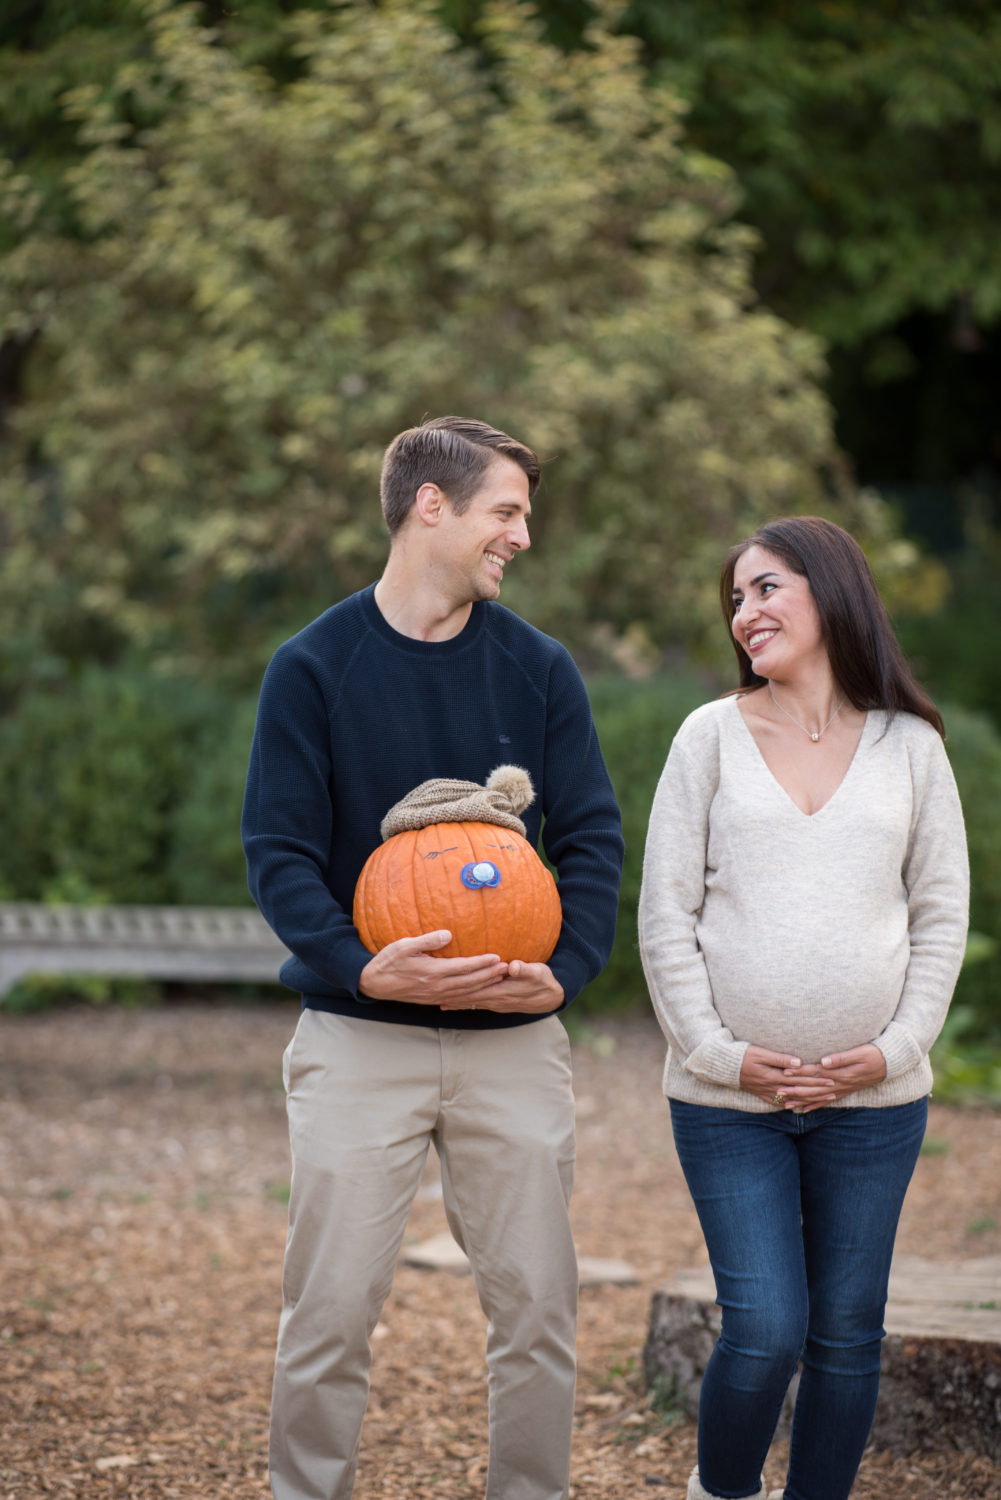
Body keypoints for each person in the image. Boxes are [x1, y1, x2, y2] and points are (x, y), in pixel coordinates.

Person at [241, 415, 624, 1500]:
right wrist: (360, 965)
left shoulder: (538, 669)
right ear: (430, 507)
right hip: (359, 1039)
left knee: (539, 1317)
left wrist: (573, 963)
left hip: (513, 1037)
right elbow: (278, 850)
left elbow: (590, 836)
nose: (521, 537)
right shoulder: (312, 667)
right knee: (326, 1318)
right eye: (505, 512)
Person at [637, 516, 969, 1500]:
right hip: (726, 1103)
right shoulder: (706, 737)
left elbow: (941, 912)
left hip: (873, 1109)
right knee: (766, 1328)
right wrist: (715, 1052)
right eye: (735, 598)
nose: (745, 613)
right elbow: (664, 914)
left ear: (829, 592)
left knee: (845, 1336)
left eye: (765, 588)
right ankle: (722, 1492)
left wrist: (895, 1049)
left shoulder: (909, 746)